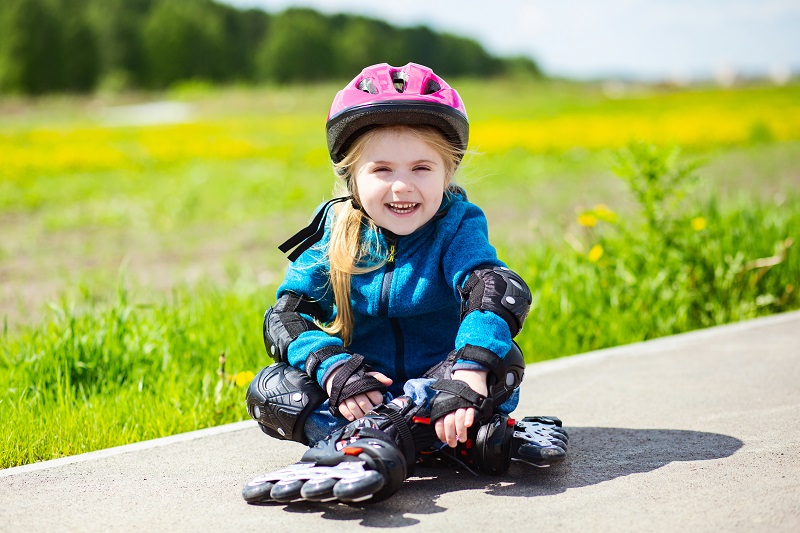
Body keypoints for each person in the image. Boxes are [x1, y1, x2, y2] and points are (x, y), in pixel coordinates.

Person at [243, 63, 567, 505]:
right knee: (271, 392)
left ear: (448, 172)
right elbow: (286, 318)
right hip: (363, 391)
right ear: (350, 176)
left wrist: (469, 372)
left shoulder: (456, 224)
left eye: (421, 168)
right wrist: (334, 368)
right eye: (381, 170)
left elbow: (494, 288)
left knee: (498, 355)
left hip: (447, 391)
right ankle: (447, 442)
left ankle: (380, 444)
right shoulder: (337, 230)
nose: (402, 186)